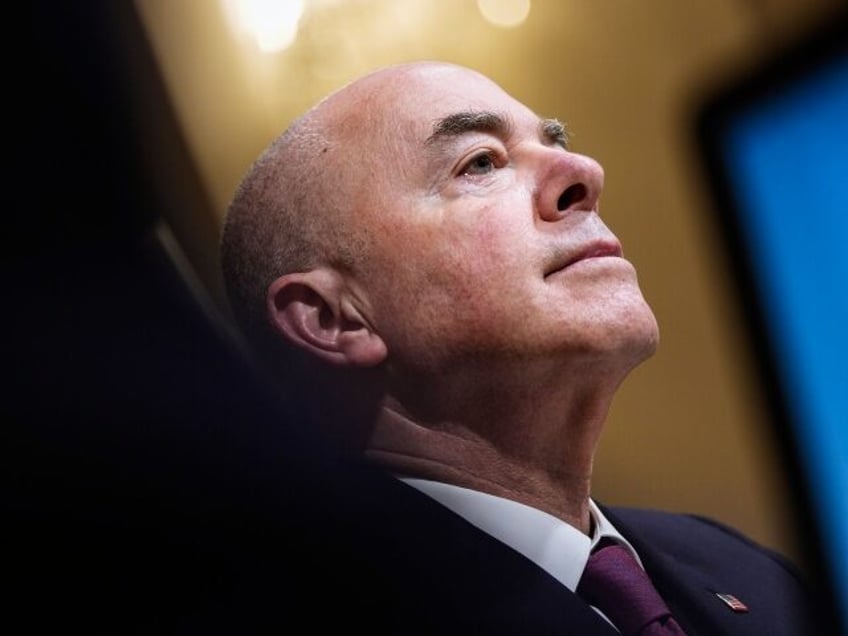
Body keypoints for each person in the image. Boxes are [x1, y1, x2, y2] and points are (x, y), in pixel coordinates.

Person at [219, 61, 828, 635]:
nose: (585, 171)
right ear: (333, 318)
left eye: (557, 143)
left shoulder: (746, 567)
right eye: (480, 163)